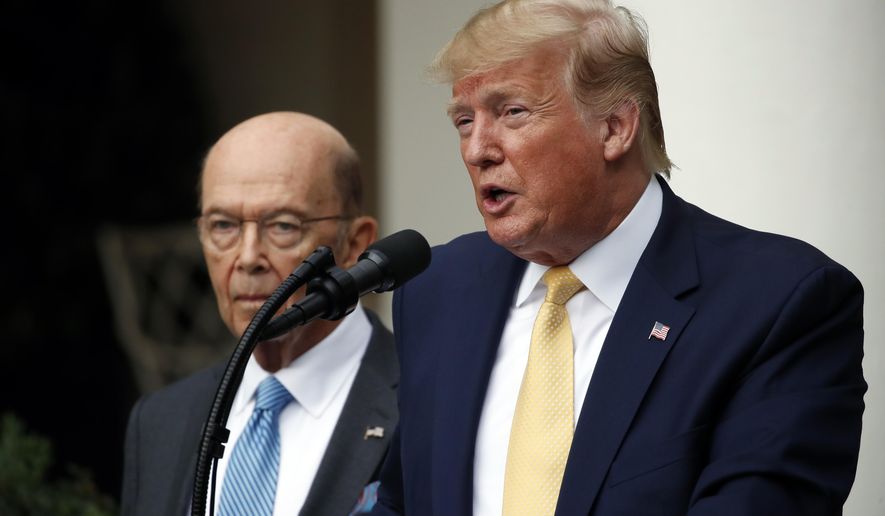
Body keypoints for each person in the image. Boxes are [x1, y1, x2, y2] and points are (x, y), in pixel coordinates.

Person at [370, 1, 866, 515]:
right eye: (464, 121)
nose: (477, 150)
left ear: (614, 127)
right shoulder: (437, 288)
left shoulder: (778, 302)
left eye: (512, 112)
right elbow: (401, 502)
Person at [121, 112, 398, 516]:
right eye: (223, 226)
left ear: (355, 243)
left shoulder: (426, 402)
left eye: (283, 226)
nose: (248, 257)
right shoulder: (161, 420)